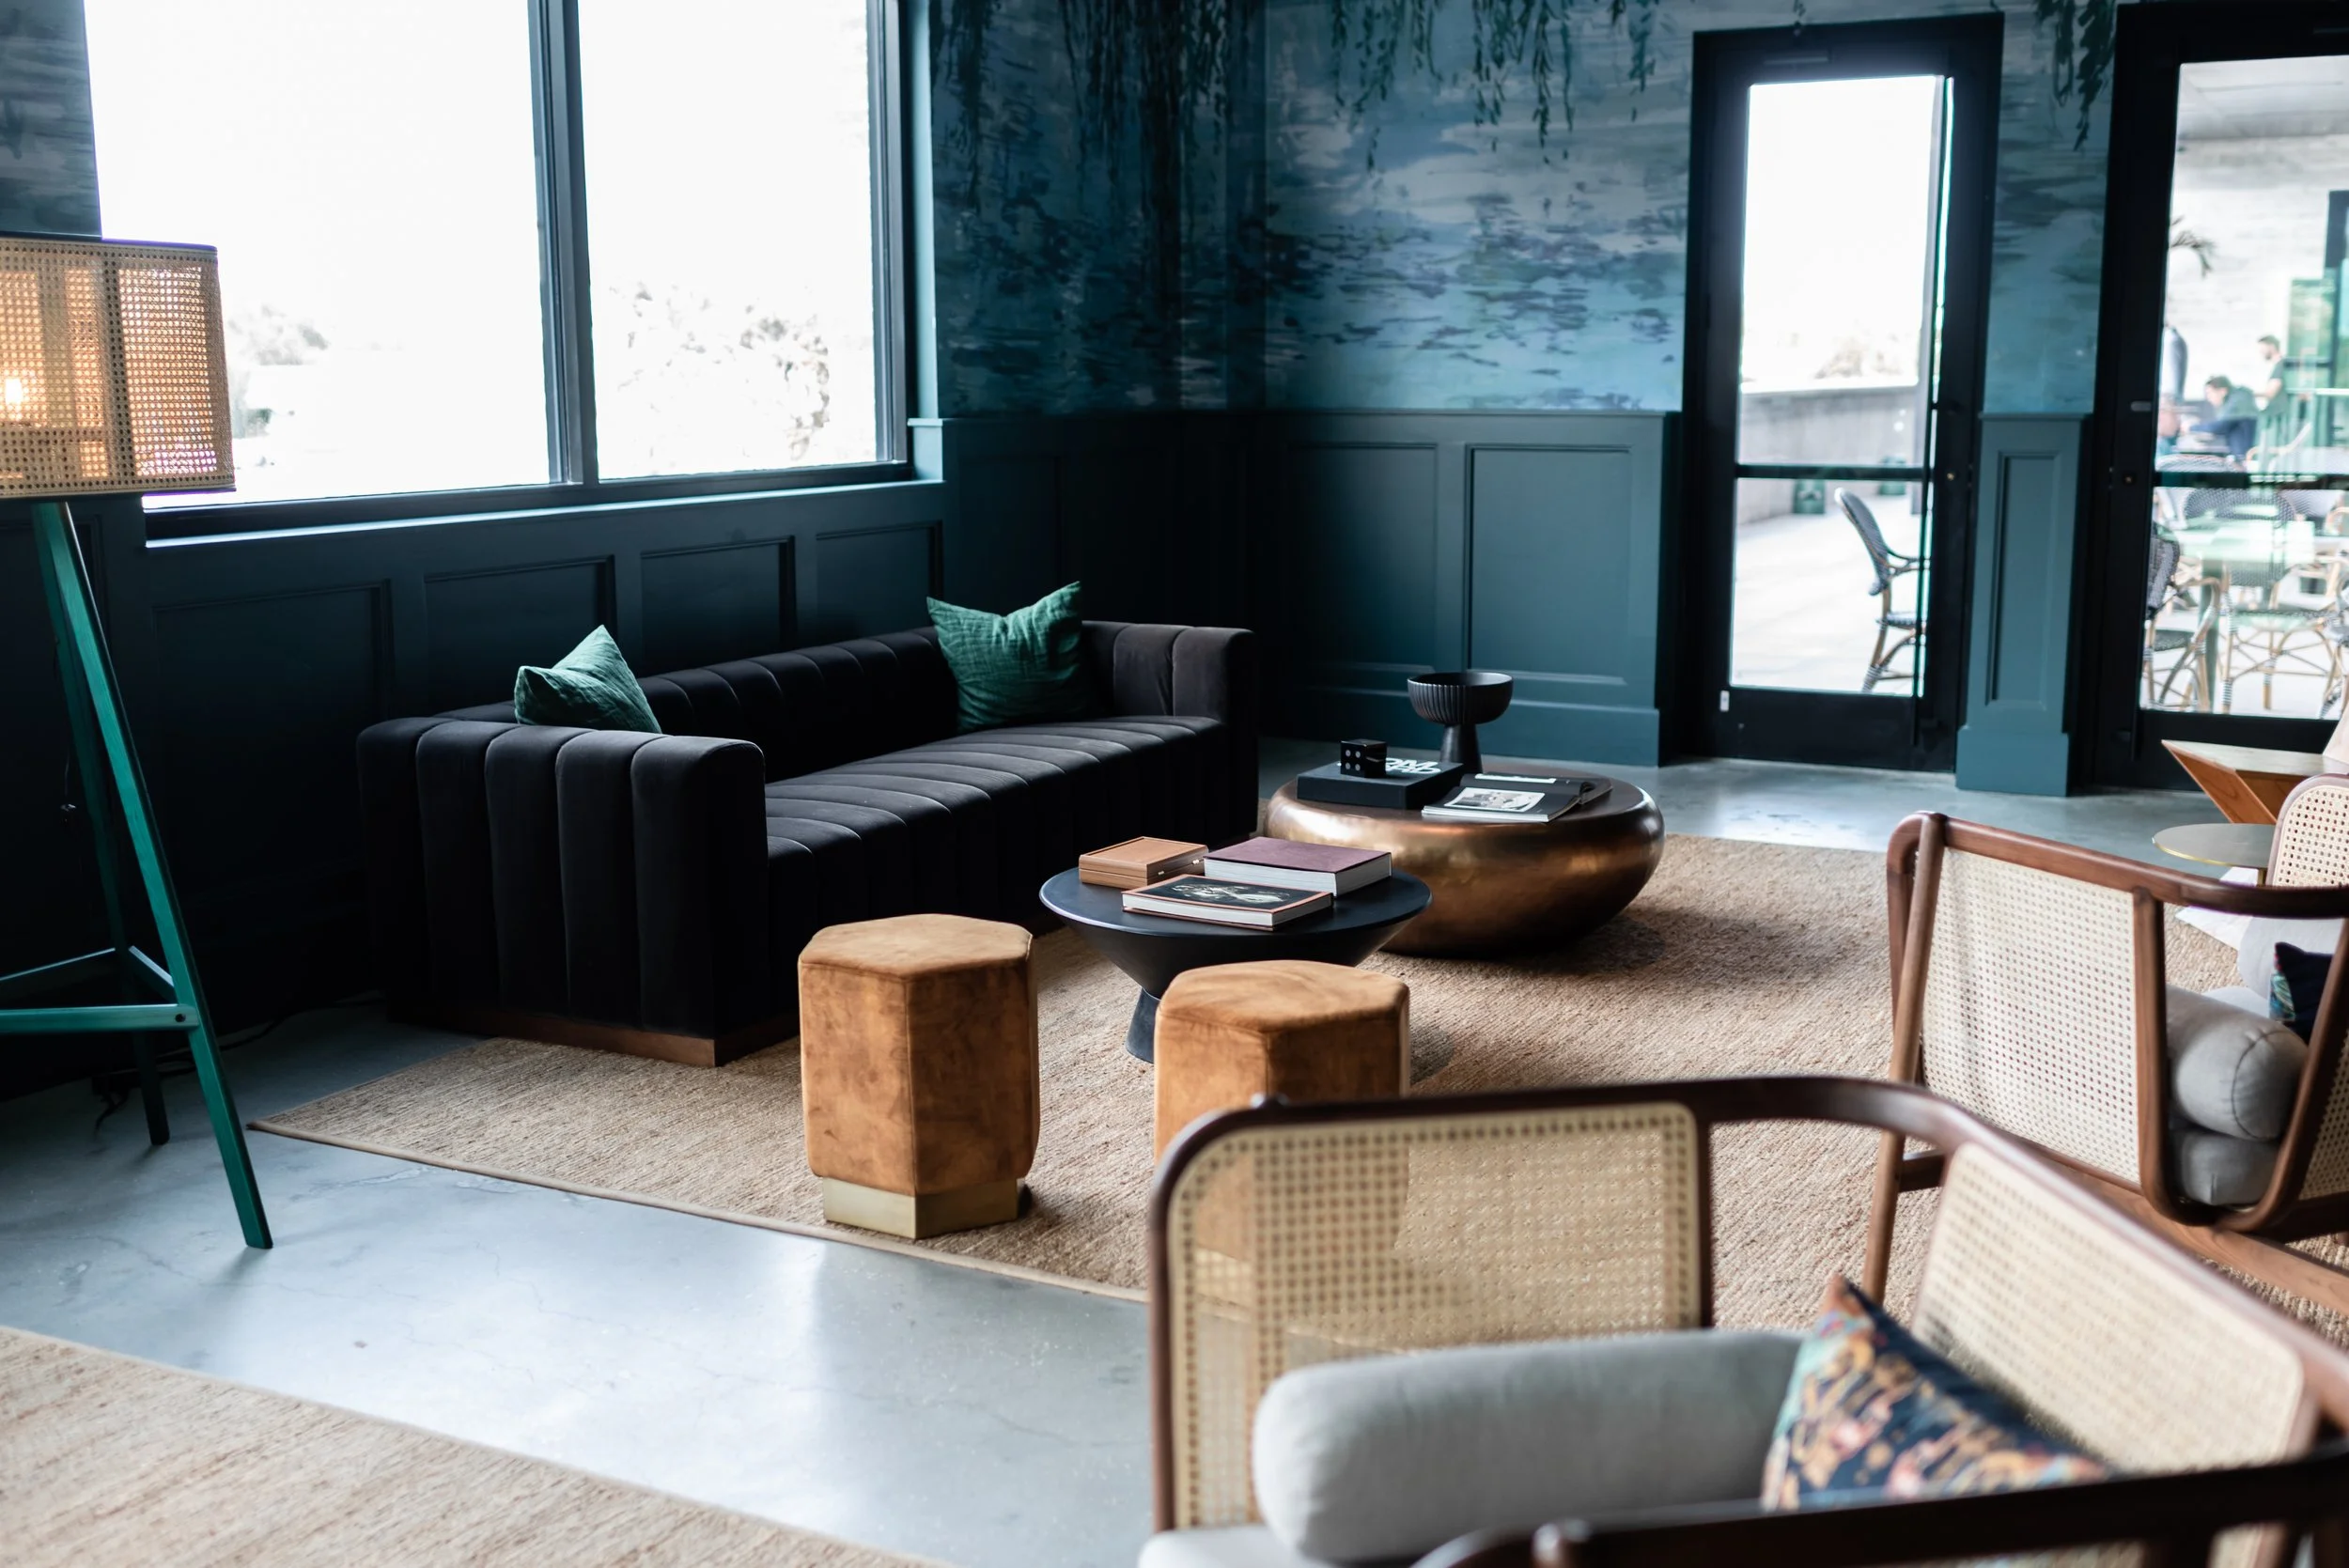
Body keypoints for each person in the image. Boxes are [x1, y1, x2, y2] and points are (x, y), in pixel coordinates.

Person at [2191, 375, 2261, 461]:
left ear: (2223, 391)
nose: (2208, 398)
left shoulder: (2237, 402)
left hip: (2246, 457)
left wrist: (2192, 427)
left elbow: (2219, 427)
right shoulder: (2236, 401)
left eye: (2210, 393)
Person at [2255, 334, 2287, 407]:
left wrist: (2248, 394)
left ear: (2272, 347)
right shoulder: (2280, 365)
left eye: (2263, 349)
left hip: (2278, 413)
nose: (2261, 352)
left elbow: (2271, 393)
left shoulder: (2280, 366)